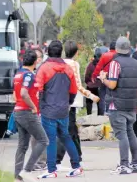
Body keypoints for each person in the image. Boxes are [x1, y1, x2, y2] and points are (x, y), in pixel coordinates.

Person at [36, 40, 83, 179]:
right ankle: (76, 166)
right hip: (63, 110)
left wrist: (40, 106)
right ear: (60, 52)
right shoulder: (68, 68)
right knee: (66, 136)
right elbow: (74, 90)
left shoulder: (44, 68)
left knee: (50, 139)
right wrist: (68, 103)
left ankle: (51, 170)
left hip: (48, 110)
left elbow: (37, 89)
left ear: (48, 51)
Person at [99, 37, 137, 174]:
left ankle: (124, 165)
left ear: (116, 49)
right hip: (131, 104)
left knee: (122, 135)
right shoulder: (136, 63)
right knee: (131, 133)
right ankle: (135, 163)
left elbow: (112, 84)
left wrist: (103, 79)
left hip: (117, 104)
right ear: (129, 48)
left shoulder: (115, 63)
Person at [56, 41, 100, 170]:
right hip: (72, 102)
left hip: (61, 101)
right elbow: (78, 86)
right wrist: (92, 96)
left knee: (72, 130)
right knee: (68, 131)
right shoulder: (74, 64)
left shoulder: (60, 63)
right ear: (76, 53)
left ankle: (78, 158)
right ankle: (58, 160)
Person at [13, 50, 49, 181]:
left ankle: (17, 175)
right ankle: (27, 169)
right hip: (27, 112)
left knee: (22, 146)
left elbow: (15, 95)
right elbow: (23, 93)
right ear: (35, 62)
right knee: (43, 140)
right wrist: (33, 106)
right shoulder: (29, 75)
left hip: (18, 111)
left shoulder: (18, 74)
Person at [92, 40, 117, 115]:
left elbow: (98, 67)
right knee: (114, 96)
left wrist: (94, 76)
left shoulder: (105, 55)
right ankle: (111, 112)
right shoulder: (119, 56)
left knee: (102, 97)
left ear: (110, 47)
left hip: (104, 78)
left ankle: (102, 114)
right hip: (115, 79)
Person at [85, 48, 103, 115]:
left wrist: (89, 83)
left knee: (89, 103)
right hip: (99, 87)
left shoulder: (90, 65)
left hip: (90, 87)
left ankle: (89, 117)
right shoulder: (102, 65)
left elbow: (86, 78)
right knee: (100, 103)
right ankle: (100, 118)